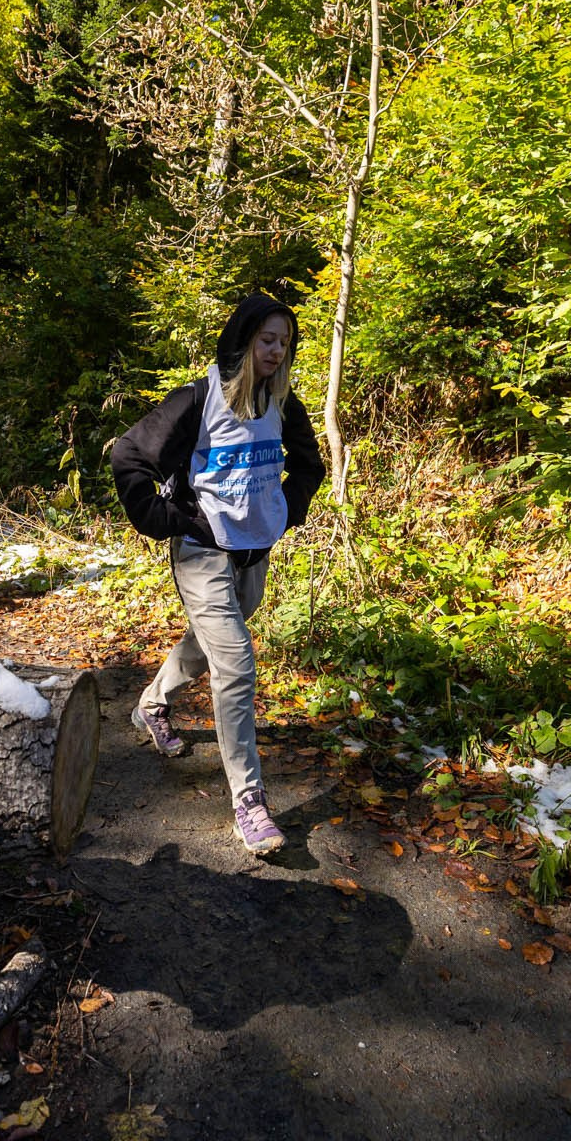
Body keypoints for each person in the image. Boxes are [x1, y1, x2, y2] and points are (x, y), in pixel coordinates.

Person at [110, 291, 326, 854]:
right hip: (201, 550)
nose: (277, 351)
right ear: (243, 340)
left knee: (212, 642)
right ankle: (249, 803)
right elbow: (128, 456)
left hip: (252, 551)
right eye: (267, 339)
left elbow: (310, 465)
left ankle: (152, 703)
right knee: (236, 664)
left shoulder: (282, 403)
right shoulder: (199, 399)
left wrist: (285, 509)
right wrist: (165, 519)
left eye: (285, 342)